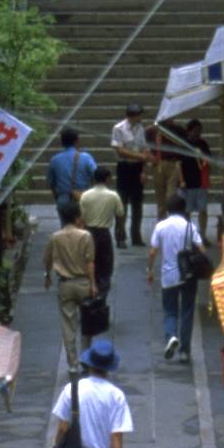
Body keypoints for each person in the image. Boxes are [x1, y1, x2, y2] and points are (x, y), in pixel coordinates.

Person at [146, 194, 206, 363]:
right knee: (187, 311)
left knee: (170, 310)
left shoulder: (161, 226)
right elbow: (202, 250)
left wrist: (149, 270)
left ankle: (171, 336)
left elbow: (152, 252)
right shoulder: (190, 227)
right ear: (183, 209)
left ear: (168, 208)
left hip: (168, 275)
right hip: (188, 275)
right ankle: (185, 351)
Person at [41, 199, 96, 368]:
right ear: (76, 217)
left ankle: (72, 363)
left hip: (65, 284)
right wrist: (93, 284)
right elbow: (90, 262)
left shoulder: (55, 237)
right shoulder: (85, 236)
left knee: (68, 324)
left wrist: (48, 275)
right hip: (83, 283)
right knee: (87, 323)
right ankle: (86, 358)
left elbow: (47, 259)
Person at [110, 103, 152, 248]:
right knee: (122, 204)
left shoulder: (140, 128)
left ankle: (136, 236)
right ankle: (120, 236)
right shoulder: (119, 128)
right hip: (125, 167)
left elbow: (145, 149)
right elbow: (120, 150)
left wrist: (144, 170)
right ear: (132, 115)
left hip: (137, 168)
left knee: (137, 204)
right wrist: (141, 156)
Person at [78, 166, 124, 295]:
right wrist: (120, 230)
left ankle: (90, 289)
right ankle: (102, 293)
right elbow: (120, 214)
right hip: (104, 233)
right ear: (107, 179)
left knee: (89, 261)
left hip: (88, 232)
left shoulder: (85, 196)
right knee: (105, 265)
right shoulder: (113, 196)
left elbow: (81, 217)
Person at [174, 119, 212, 235]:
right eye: (195, 131)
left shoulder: (203, 144)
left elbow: (208, 160)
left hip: (200, 182)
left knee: (203, 210)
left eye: (200, 131)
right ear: (189, 131)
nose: (198, 133)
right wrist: (181, 181)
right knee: (186, 211)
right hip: (187, 183)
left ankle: (202, 234)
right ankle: (185, 234)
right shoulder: (183, 145)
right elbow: (178, 164)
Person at [46, 128, 97, 210]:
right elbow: (96, 176)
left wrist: (58, 197)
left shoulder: (54, 160)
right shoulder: (86, 158)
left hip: (63, 199)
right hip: (82, 197)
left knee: (66, 223)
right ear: (77, 141)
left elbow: (51, 183)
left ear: (62, 142)